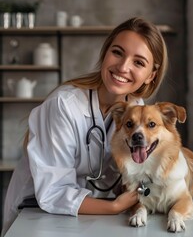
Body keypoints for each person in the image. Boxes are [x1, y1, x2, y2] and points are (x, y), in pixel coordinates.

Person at [1, 16, 168, 236]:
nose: (123, 66)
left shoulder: (135, 109)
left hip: (84, 212)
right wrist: (115, 206)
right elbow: (53, 192)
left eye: (138, 62)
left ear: (151, 76)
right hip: (35, 211)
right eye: (117, 52)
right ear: (105, 53)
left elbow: (128, 168)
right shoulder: (64, 105)